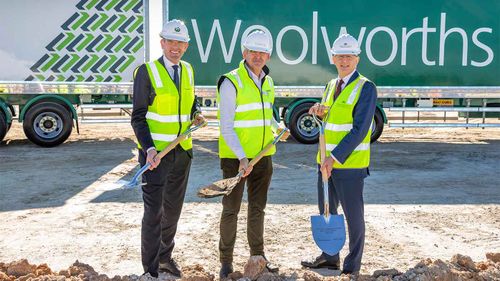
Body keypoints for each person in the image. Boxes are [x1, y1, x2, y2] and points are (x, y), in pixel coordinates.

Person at [131, 19, 205, 280]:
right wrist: (149, 149)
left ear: (186, 46)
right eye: (170, 42)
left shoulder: (188, 70)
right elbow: (138, 117)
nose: (175, 47)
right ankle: (150, 270)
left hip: (182, 152)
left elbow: (190, 101)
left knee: (172, 210)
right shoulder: (146, 72)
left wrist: (196, 113)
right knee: (154, 213)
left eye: (180, 42)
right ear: (162, 43)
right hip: (155, 156)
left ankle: (165, 259)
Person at [301, 34, 378, 275]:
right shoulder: (331, 85)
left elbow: (359, 130)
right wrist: (319, 111)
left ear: (357, 59)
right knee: (327, 213)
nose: (344, 60)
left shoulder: (366, 87)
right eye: (340, 56)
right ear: (333, 58)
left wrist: (334, 158)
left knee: (354, 218)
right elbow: (331, 118)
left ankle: (352, 266)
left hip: (348, 165)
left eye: (349, 56)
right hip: (324, 163)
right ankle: (329, 257)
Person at [216, 30, 289, 278]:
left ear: (268, 55)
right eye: (253, 51)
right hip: (235, 160)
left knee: (258, 209)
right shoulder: (231, 81)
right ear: (244, 52)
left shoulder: (267, 82)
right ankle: (226, 262)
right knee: (231, 210)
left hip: (262, 156)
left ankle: (258, 258)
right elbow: (226, 126)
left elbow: (266, 115)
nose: (257, 56)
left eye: (262, 52)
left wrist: (277, 128)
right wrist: (241, 157)